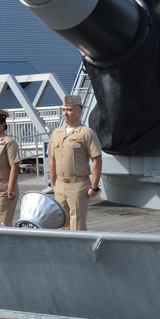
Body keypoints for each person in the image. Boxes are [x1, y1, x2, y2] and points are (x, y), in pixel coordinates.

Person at [49, 95, 103, 231]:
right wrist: (53, 183)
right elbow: (52, 160)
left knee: (77, 226)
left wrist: (94, 186)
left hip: (78, 186)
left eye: (69, 110)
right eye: (64, 109)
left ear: (79, 112)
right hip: (60, 185)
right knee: (61, 224)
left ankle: (81, 252)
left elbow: (97, 159)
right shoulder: (56, 133)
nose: (65, 113)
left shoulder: (86, 133)